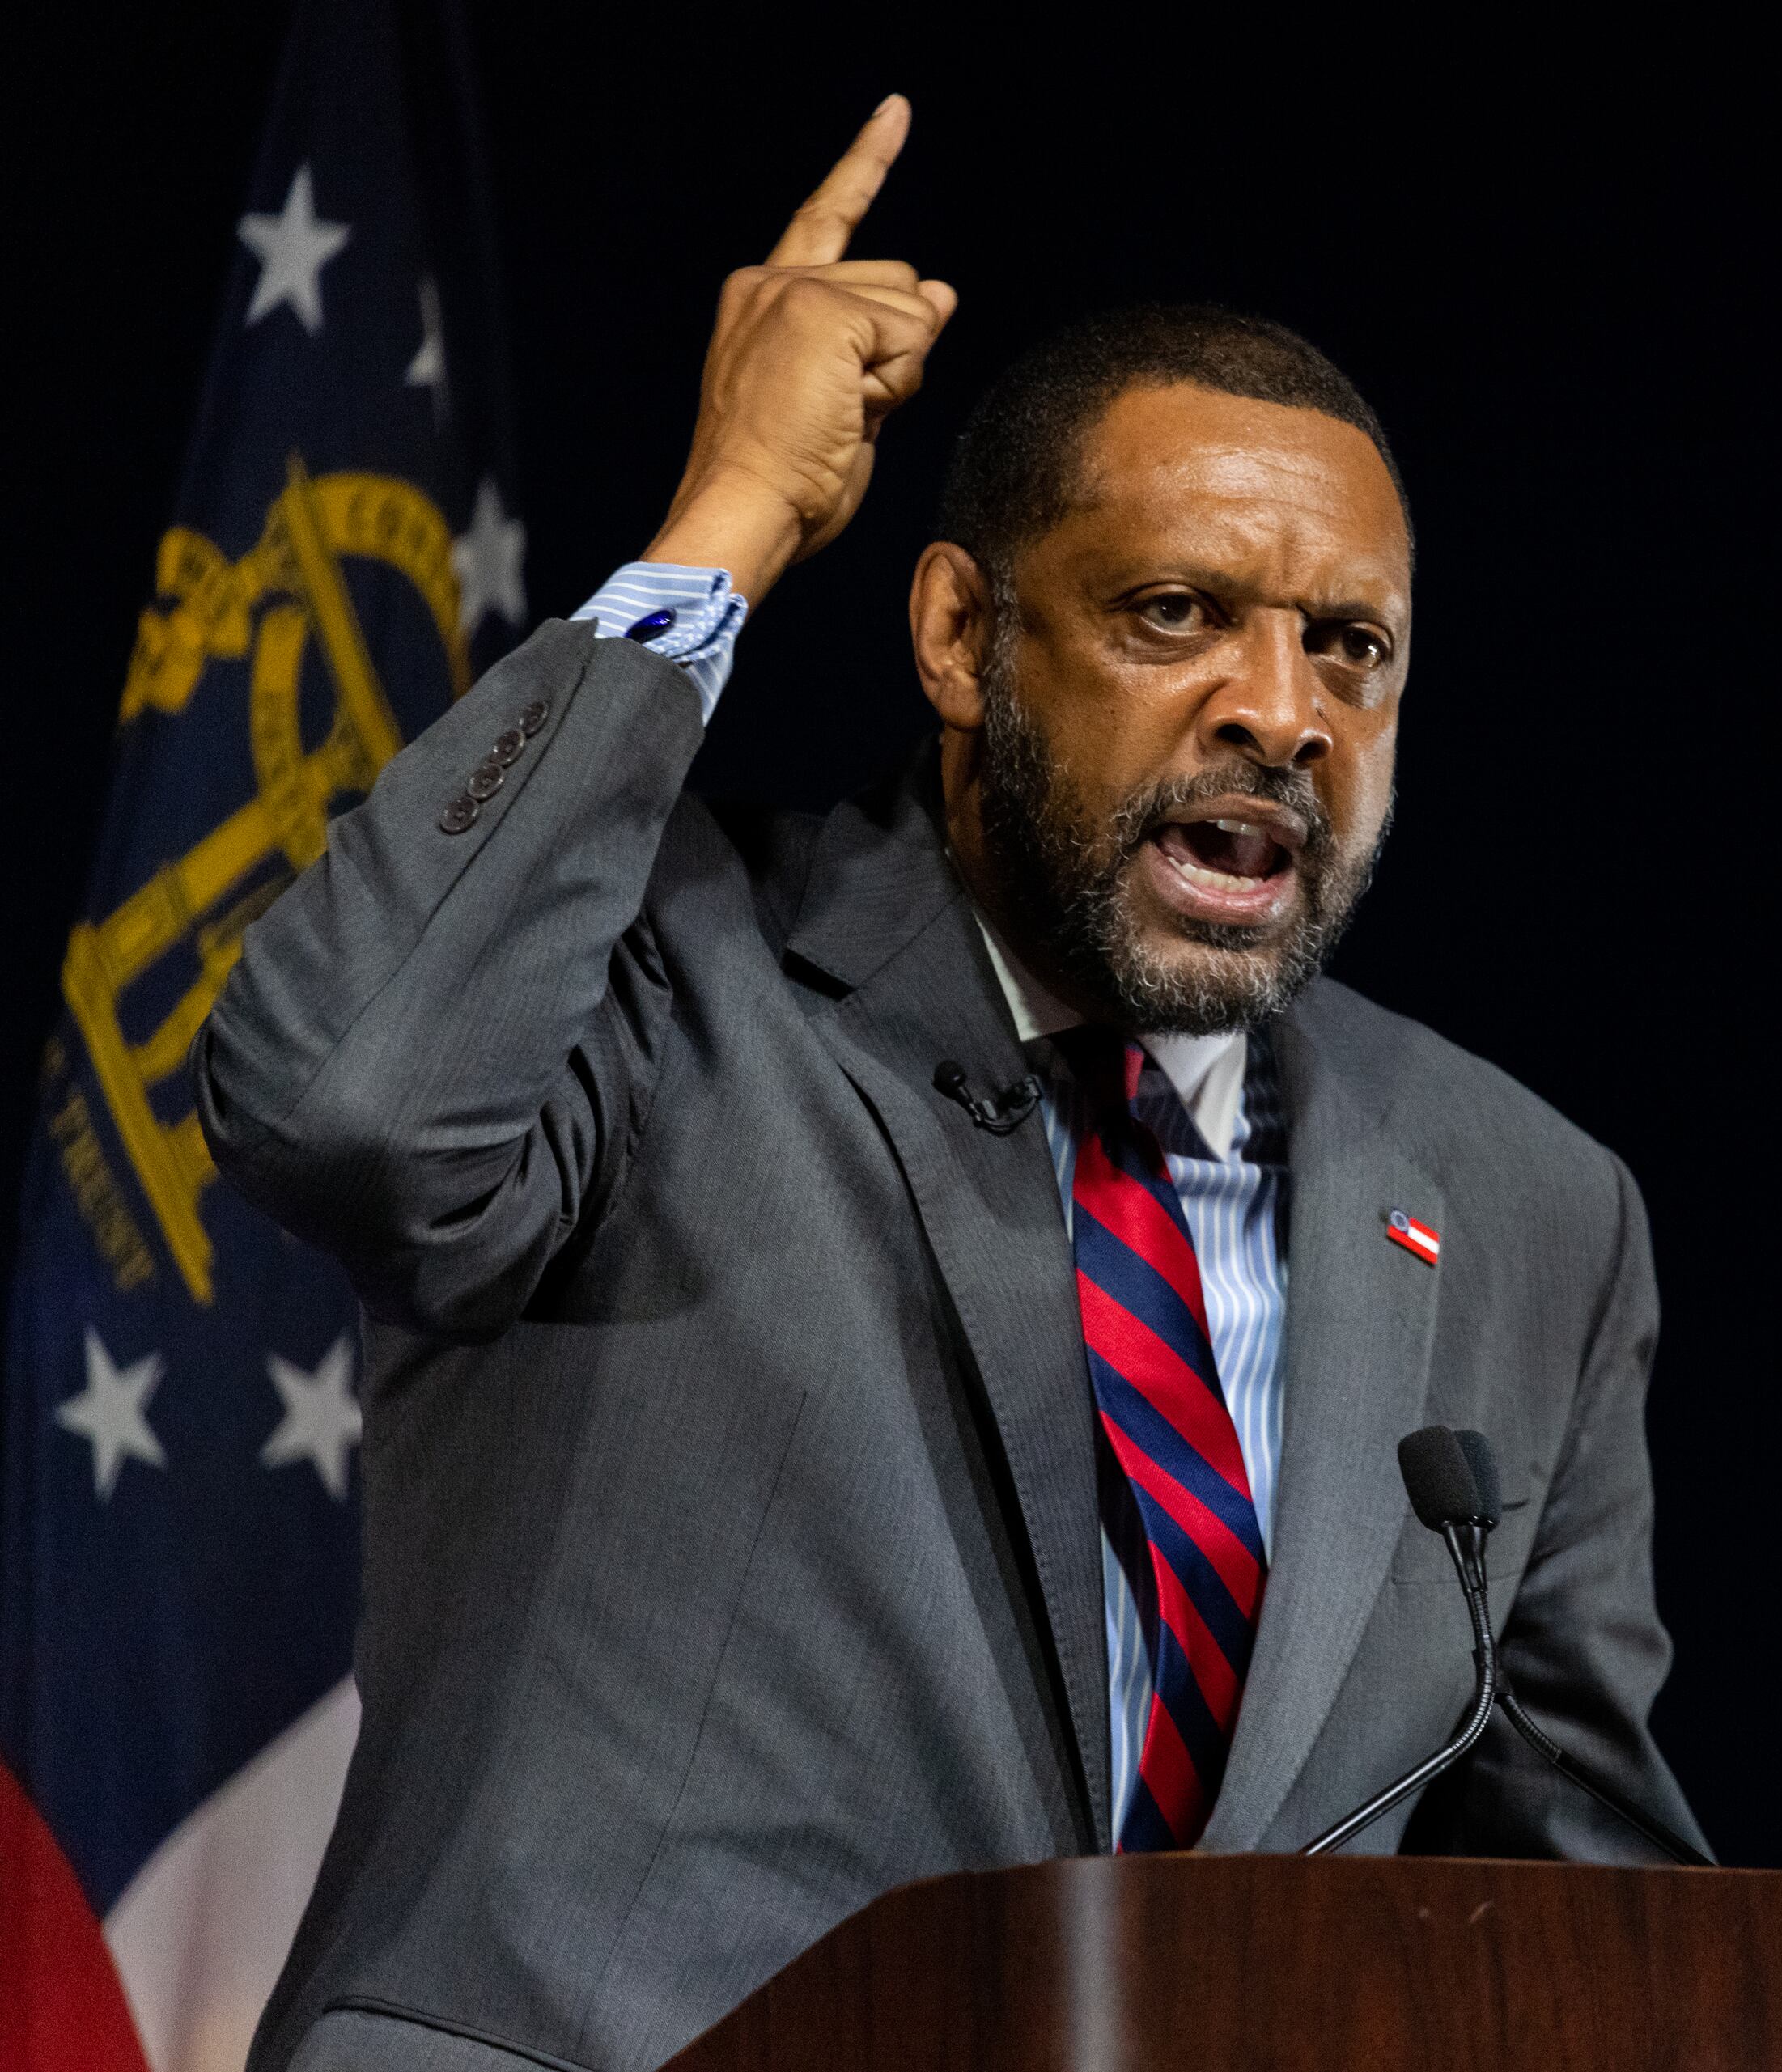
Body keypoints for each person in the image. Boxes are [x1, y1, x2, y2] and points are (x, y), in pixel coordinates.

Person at [202, 97, 1702, 2072]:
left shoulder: (1525, 1208)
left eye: (1353, 649)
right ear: (960, 634)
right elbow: (348, 1101)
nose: (1283, 711)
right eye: (1178, 615)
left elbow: (1581, 1921)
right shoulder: (658, 984)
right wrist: (726, 518)